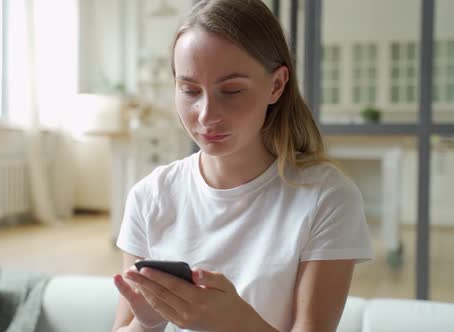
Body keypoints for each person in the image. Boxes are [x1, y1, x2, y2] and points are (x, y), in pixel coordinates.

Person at [111, 0, 374, 331]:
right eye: (190, 90)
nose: (206, 115)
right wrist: (148, 324)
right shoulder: (150, 196)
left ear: (277, 85)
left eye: (232, 90)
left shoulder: (326, 198)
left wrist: (235, 322)